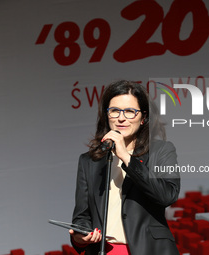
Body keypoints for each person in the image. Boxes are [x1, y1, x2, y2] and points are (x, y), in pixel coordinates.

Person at [69, 80, 180, 255]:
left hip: (149, 250)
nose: (121, 118)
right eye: (114, 111)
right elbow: (82, 216)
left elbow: (167, 195)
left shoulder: (161, 151)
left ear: (143, 118)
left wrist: (126, 157)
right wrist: (80, 235)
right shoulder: (89, 161)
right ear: (107, 115)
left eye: (130, 112)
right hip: (106, 250)